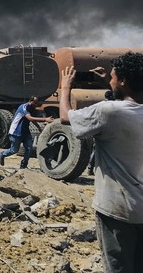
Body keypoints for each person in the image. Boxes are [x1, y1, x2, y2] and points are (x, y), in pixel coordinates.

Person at [60, 52, 143, 272]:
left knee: (119, 268)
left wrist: (65, 88)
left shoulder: (107, 112)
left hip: (119, 211)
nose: (109, 80)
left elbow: (66, 117)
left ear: (123, 81)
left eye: (113, 77)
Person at [0, 96, 54, 168]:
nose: (36, 105)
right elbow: (30, 118)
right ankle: (2, 154)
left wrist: (38, 127)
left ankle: (24, 165)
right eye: (35, 103)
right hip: (16, 132)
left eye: (37, 103)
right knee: (14, 150)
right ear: (31, 101)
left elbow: (32, 120)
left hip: (25, 132)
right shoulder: (24, 107)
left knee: (29, 148)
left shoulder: (32, 108)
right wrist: (45, 119)